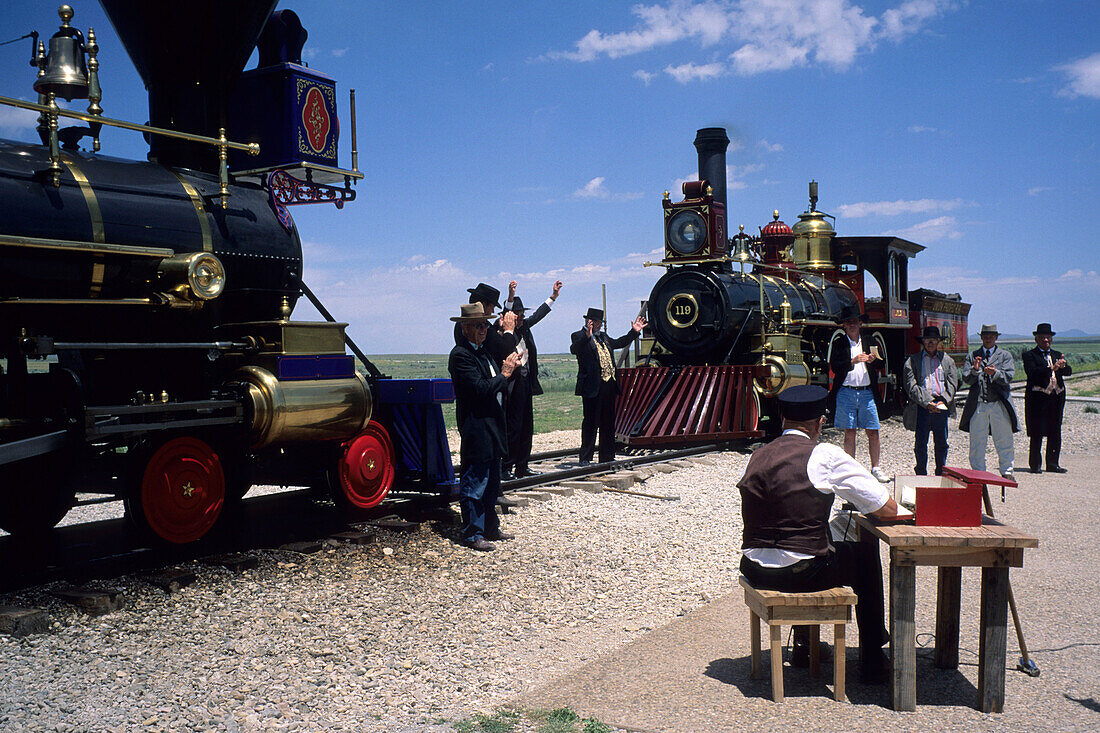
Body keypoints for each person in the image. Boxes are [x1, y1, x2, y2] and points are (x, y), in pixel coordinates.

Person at [738, 384, 899, 684]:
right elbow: (884, 507)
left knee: (815, 532)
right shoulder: (824, 454)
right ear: (819, 423)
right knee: (863, 554)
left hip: (754, 569)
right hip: (799, 573)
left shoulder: (759, 455)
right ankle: (873, 659)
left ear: (784, 419)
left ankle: (804, 646)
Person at [448, 303, 521, 551]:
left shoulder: (482, 352)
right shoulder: (461, 355)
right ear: (465, 328)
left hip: (492, 424)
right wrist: (505, 374)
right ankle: (472, 533)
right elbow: (480, 389)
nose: (484, 329)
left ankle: (490, 528)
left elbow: (494, 383)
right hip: (477, 426)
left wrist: (505, 373)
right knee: (475, 483)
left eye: (486, 325)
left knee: (491, 483)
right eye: (479, 325)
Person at [500, 279, 563, 479]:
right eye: (517, 314)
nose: (521, 317)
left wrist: (553, 296)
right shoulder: (502, 332)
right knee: (514, 426)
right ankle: (506, 467)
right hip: (512, 384)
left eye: (522, 315)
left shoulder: (525, 326)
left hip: (526, 383)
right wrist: (510, 298)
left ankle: (522, 466)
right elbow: (506, 312)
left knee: (527, 426)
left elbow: (539, 314)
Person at [570, 307, 646, 465]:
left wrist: (634, 332)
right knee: (590, 423)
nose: (599, 326)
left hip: (608, 386)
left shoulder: (604, 337)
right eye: (596, 323)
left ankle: (607, 456)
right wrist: (587, 336)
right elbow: (574, 349)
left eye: (600, 323)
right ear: (588, 322)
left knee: (608, 423)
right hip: (592, 388)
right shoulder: (579, 336)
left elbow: (619, 342)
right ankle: (585, 458)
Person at [827, 304, 890, 482]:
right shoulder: (839, 343)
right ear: (844, 326)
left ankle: (876, 468)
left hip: (867, 392)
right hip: (846, 392)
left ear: (860, 323)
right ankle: (850, 468)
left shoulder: (870, 341)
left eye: (855, 322)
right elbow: (835, 366)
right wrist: (852, 361)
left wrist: (872, 360)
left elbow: (881, 364)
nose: (852, 325)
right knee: (850, 432)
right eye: (849, 322)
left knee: (873, 430)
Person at [959, 324, 1018, 479]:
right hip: (978, 404)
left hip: (999, 403)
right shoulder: (973, 356)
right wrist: (975, 370)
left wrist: (996, 373)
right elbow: (966, 378)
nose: (988, 339)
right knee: (977, 440)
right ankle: (979, 472)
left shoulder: (1004, 355)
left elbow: (1009, 377)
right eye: (985, 336)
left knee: (1004, 437)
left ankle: (1007, 471)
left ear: (996, 337)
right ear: (981, 338)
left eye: (991, 336)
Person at [902, 326, 958, 476]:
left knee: (941, 443)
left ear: (938, 341)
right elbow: (910, 385)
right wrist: (927, 402)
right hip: (922, 406)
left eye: (934, 339)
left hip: (941, 406)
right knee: (920, 443)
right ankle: (921, 473)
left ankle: (941, 472)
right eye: (927, 339)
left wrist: (943, 401)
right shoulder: (912, 361)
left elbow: (953, 384)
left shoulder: (947, 360)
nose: (930, 342)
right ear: (923, 342)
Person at [1022, 323, 1071, 474]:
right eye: (1042, 337)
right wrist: (1051, 368)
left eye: (1048, 337)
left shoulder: (1057, 354)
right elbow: (1032, 372)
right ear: (1036, 339)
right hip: (1038, 399)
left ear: (1052, 339)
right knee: (1037, 431)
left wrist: (1063, 367)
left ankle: (1052, 463)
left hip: (1056, 398)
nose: (1045, 340)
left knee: (1055, 430)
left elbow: (1068, 372)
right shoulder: (1030, 355)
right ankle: (1035, 465)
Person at [453, 282, 510, 369]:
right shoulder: (463, 354)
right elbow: (503, 348)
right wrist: (509, 330)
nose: (483, 329)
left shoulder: (461, 324)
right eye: (492, 307)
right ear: (483, 305)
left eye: (485, 326)